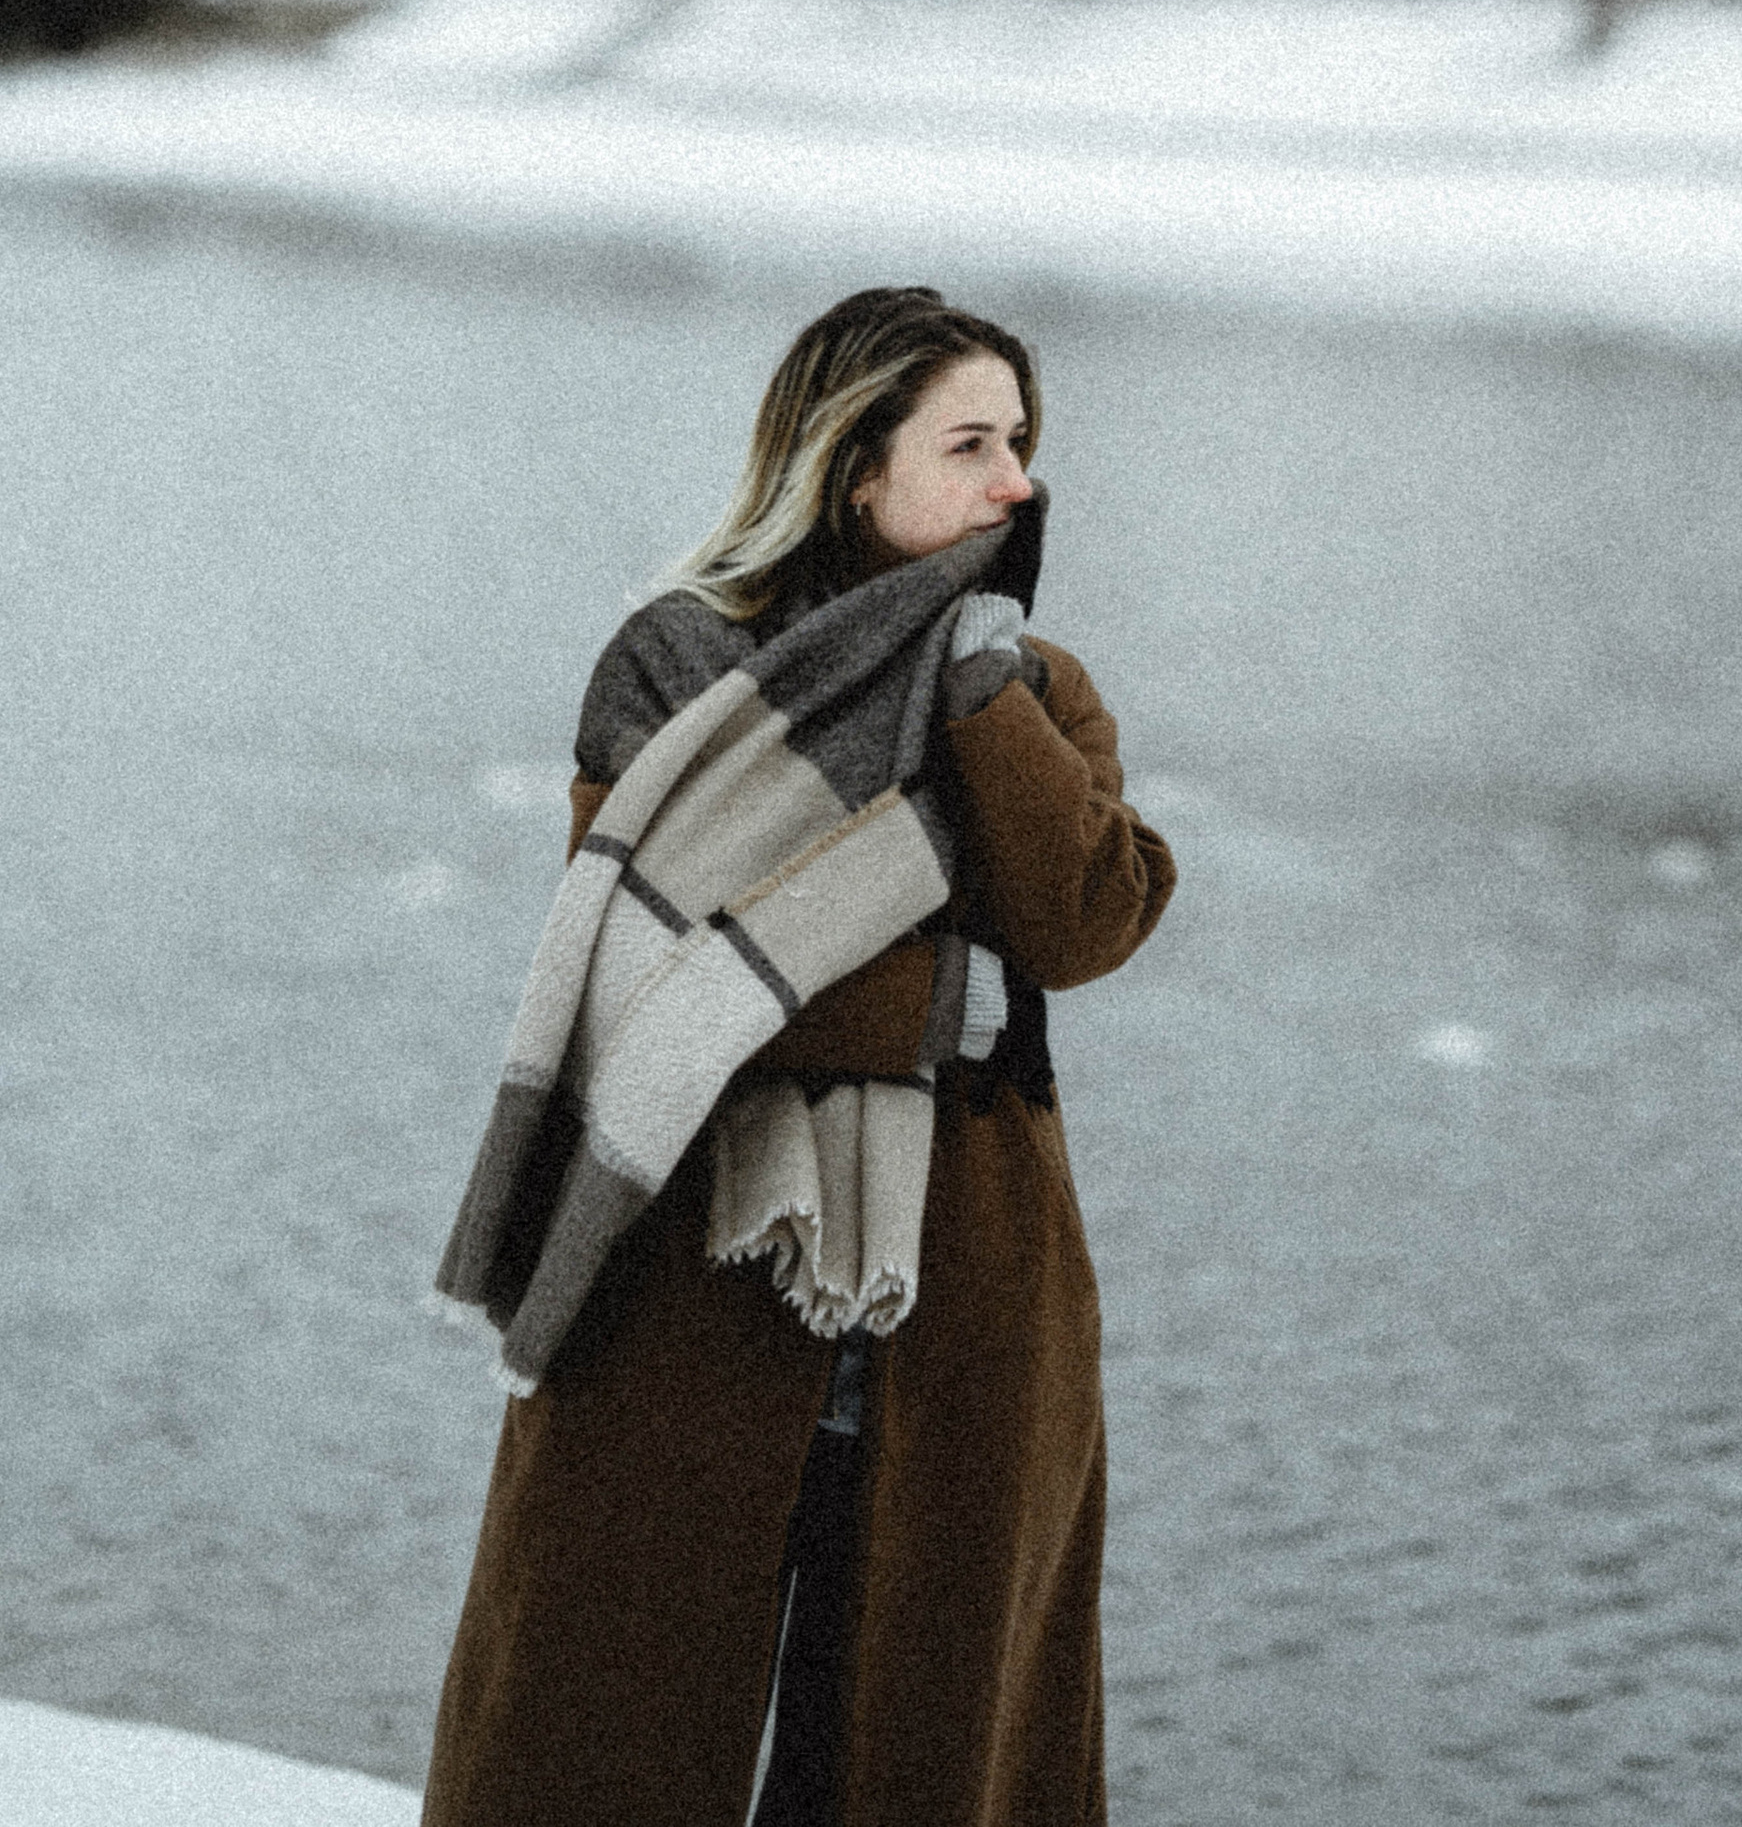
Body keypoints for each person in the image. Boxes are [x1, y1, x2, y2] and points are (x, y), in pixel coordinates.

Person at [422, 284, 1177, 1827]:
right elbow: (648, 973)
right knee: (606, 1721)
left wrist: (976, 694)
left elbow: (1089, 917)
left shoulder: (1034, 686)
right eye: (971, 444)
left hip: (963, 1292)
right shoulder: (682, 668)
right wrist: (934, 1009)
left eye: (1021, 443)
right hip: (695, 1265)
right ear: (854, 469)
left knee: (923, 1739)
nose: (1016, 483)